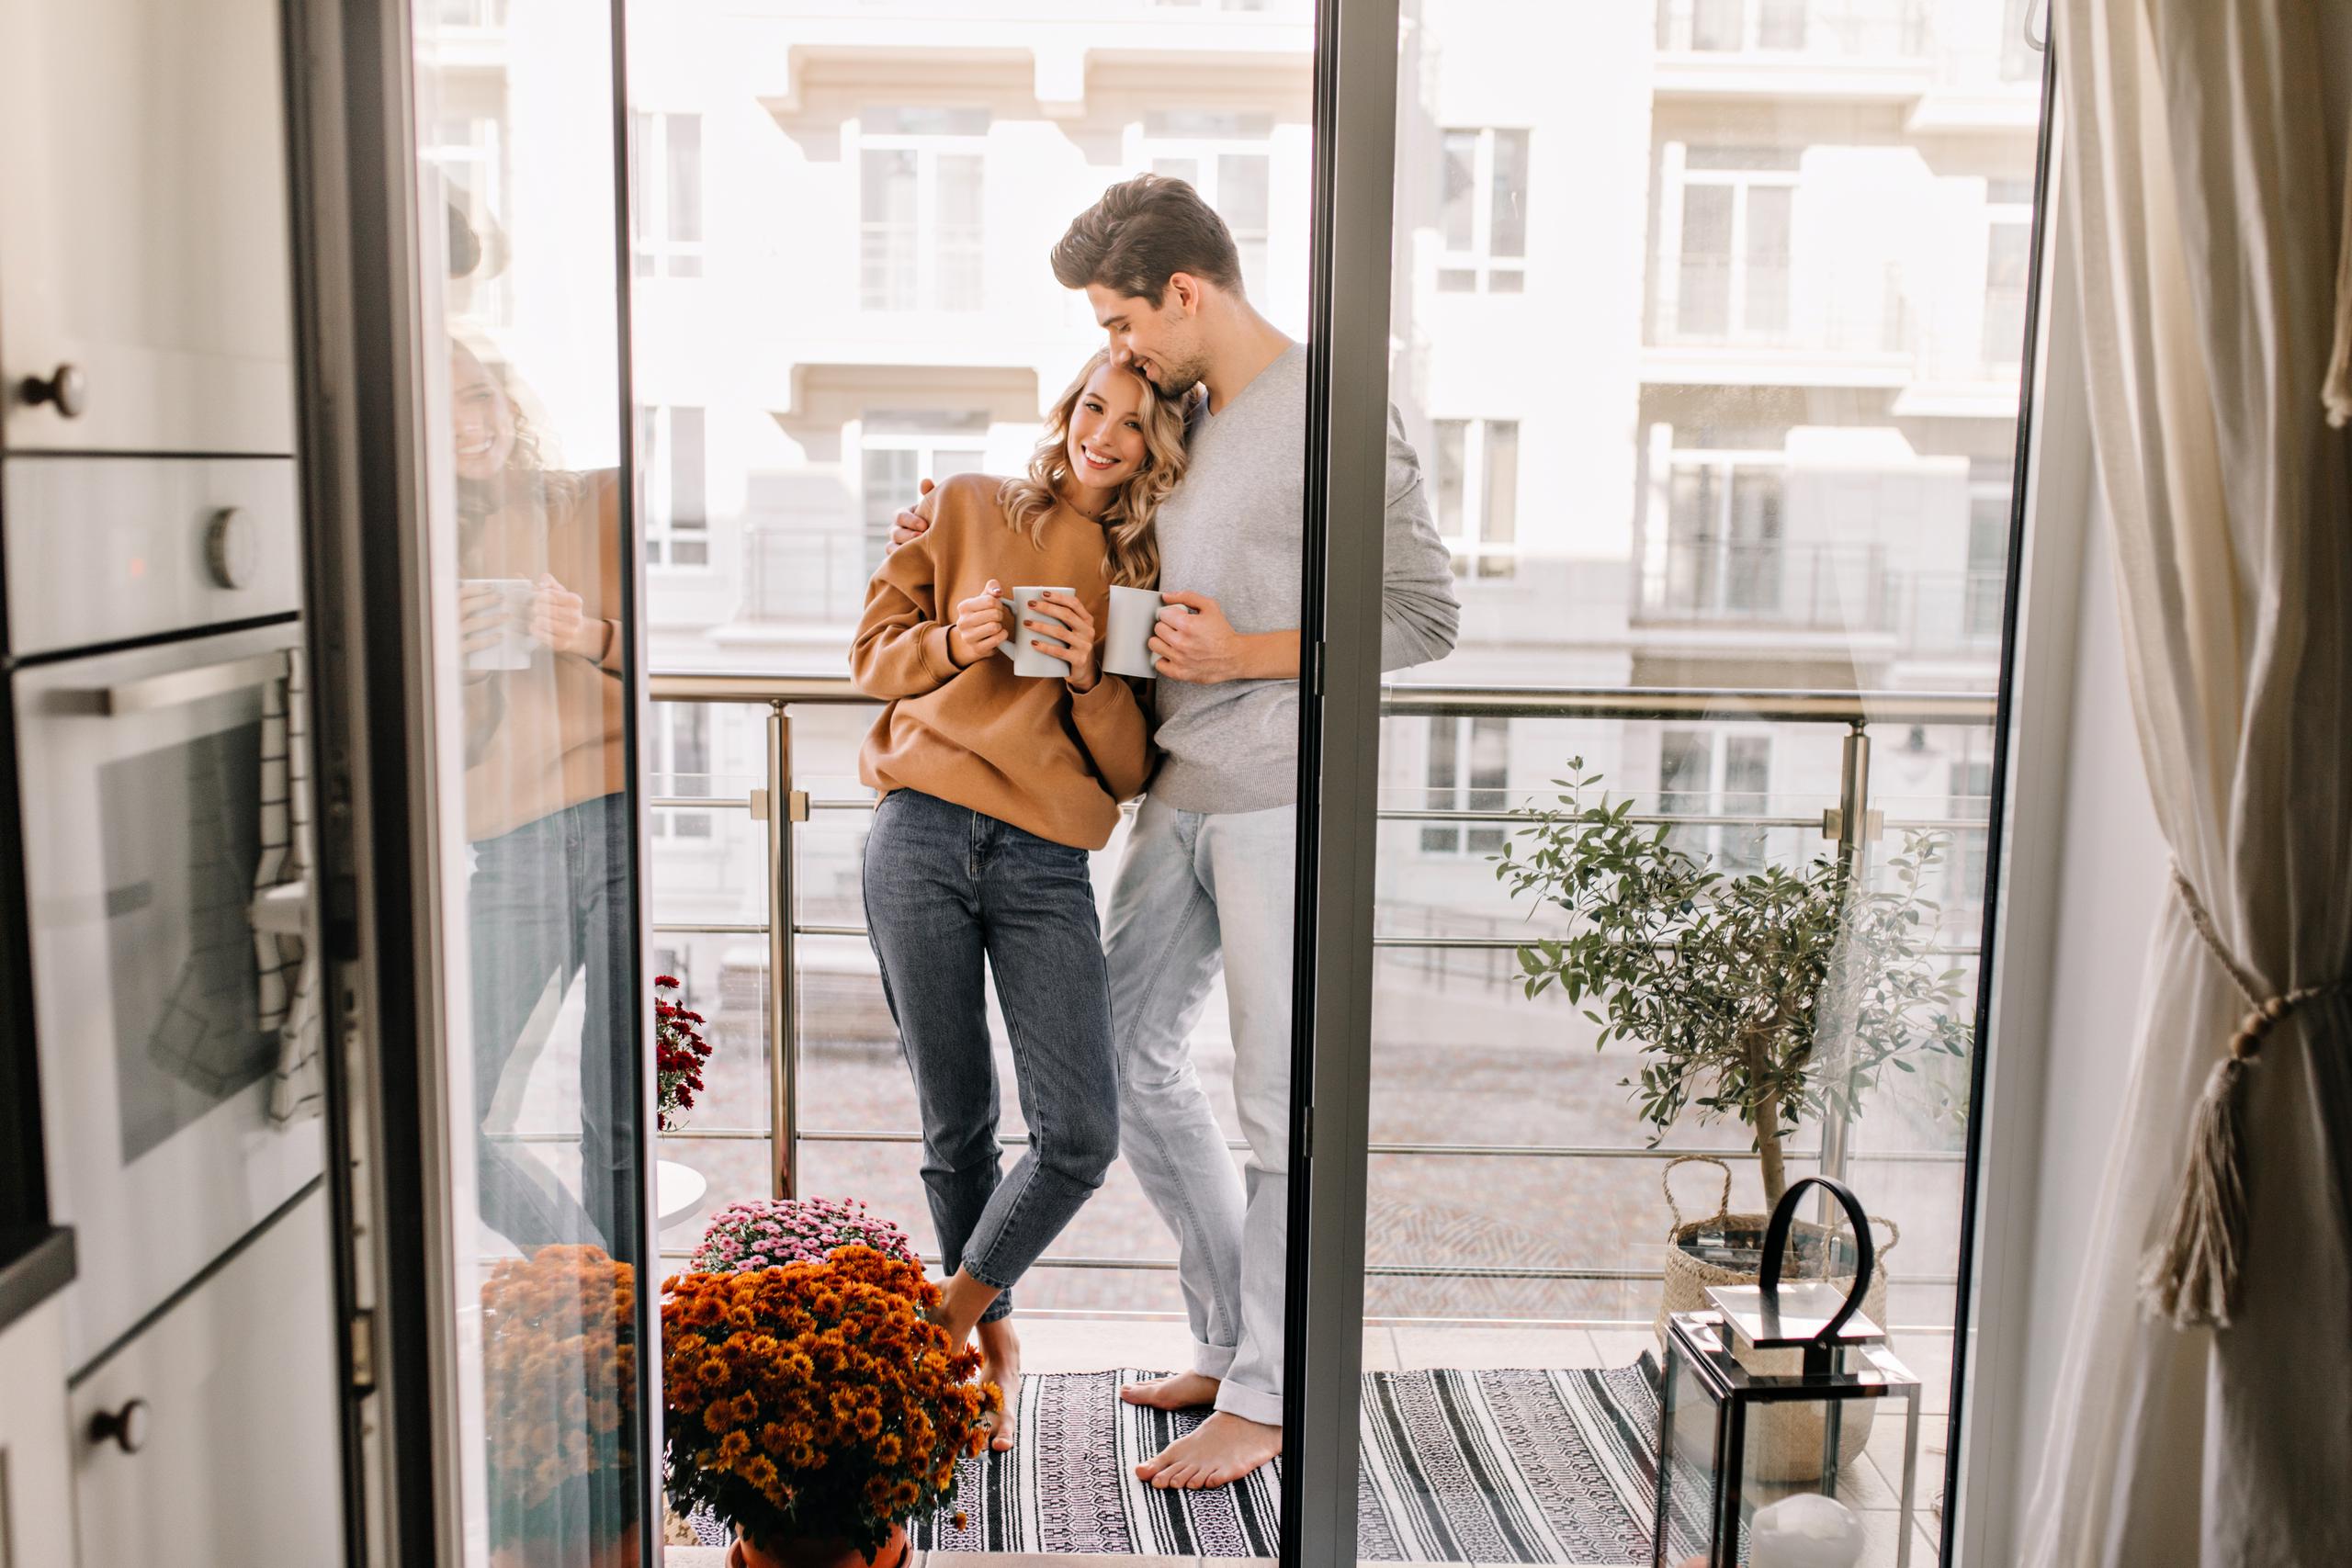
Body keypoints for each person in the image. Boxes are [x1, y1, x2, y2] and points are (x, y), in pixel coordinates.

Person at [893, 174, 1461, 1489]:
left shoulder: (1339, 411)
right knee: (1123, 1059)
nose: (1117, 345)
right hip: (1175, 795)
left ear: (1185, 293)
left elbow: (1428, 618)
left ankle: (1267, 1393)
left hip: (1277, 801)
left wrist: (1254, 647)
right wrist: (938, 537)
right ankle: (1225, 1334)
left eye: (1122, 317)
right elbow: (1084, 501)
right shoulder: (1183, 415)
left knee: (1276, 1105)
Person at [852, 349, 1185, 1450]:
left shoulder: (1144, 566)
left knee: (1078, 1130)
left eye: (1133, 425)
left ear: (1155, 447)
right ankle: (992, 1356)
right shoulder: (961, 504)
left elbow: (1130, 771)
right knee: (959, 1130)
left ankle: (941, 1324)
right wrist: (958, 638)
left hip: (1046, 861)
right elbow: (870, 660)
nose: (1105, 435)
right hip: (920, 835)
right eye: (1095, 407)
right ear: (1069, 410)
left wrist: (1090, 674)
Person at [450, 337, 637, 1258]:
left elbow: (659, 661)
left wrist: (588, 630)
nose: (468, 424)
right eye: (440, 406)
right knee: (452, 1115)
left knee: (617, 1124)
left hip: (617, 827)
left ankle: (626, 1347)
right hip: (510, 846)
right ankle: (597, 1293)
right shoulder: (410, 542)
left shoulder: (596, 497)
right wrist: (440, 658)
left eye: (478, 396)